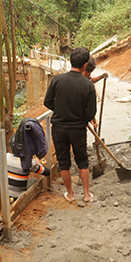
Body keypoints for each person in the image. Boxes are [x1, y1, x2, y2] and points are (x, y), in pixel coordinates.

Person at [44, 47, 97, 203]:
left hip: (59, 129)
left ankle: (70, 194)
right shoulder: (88, 86)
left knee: (64, 161)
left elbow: (47, 102)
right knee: (82, 160)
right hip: (78, 129)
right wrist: (78, 115)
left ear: (70, 61)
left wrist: (61, 110)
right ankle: (87, 195)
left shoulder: (57, 80)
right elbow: (90, 114)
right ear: (85, 64)